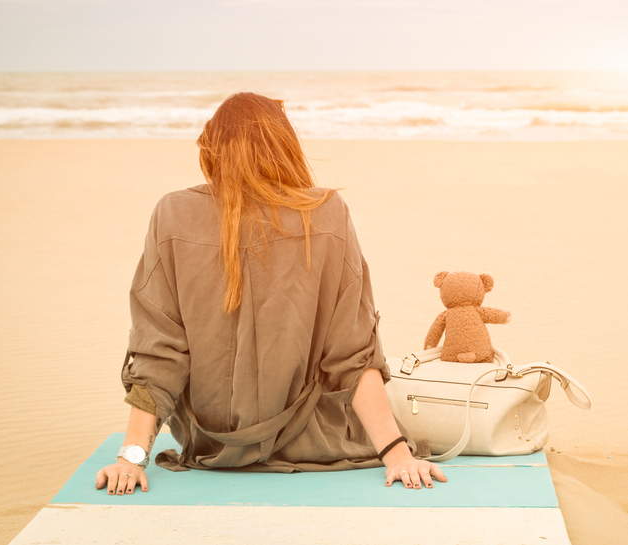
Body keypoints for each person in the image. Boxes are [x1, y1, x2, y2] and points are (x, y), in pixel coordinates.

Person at [96, 92, 447, 496]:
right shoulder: (327, 211)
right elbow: (351, 353)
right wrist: (396, 453)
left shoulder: (172, 213)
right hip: (315, 442)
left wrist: (131, 458)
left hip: (211, 446)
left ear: (212, 148)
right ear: (284, 144)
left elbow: (160, 352)